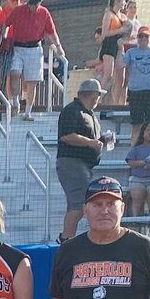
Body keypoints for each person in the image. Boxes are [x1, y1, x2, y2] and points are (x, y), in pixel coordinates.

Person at [56, 77, 108, 241]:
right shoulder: (72, 111)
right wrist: (91, 142)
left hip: (82, 164)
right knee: (79, 203)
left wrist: (102, 140)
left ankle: (67, 239)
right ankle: (66, 240)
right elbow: (67, 136)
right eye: (98, 96)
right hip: (72, 162)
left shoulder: (88, 114)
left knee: (77, 203)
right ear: (93, 96)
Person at [2, 0, 65, 121]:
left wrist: (59, 48)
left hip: (35, 48)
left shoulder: (44, 13)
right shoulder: (18, 11)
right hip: (18, 47)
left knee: (32, 81)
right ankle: (15, 104)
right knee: (14, 74)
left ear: (40, 3)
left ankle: (28, 112)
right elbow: (6, 24)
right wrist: (3, 38)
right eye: (31, 4)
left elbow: (52, 32)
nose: (33, 7)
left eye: (35, 5)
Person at [123, 26, 150, 131]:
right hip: (135, 91)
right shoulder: (131, 52)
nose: (143, 38)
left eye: (146, 36)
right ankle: (135, 145)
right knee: (136, 123)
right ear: (137, 37)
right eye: (140, 36)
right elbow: (121, 65)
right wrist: (120, 47)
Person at [96, 0, 130, 105]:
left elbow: (127, 32)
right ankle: (98, 97)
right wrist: (120, 30)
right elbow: (105, 33)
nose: (124, 3)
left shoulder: (123, 17)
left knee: (121, 76)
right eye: (123, 0)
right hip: (109, 46)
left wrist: (127, 32)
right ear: (116, 1)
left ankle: (117, 102)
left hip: (119, 46)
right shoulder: (108, 15)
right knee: (108, 73)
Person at [125, 120, 150, 218]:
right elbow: (130, 162)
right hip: (137, 179)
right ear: (143, 132)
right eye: (148, 130)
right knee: (137, 199)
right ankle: (135, 220)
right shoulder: (136, 148)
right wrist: (142, 163)